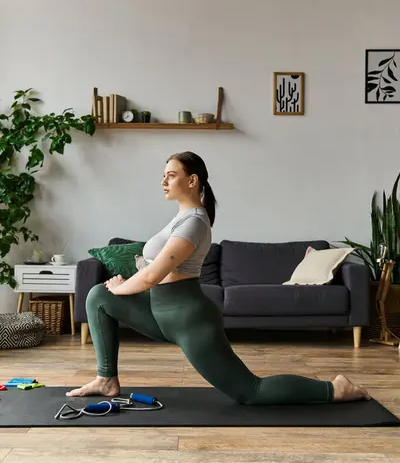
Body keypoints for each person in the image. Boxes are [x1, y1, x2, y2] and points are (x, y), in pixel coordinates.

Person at [67, 151, 370, 403]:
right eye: (164, 174)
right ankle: (106, 379)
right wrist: (116, 291)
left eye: (170, 174)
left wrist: (121, 288)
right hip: (159, 312)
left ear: (192, 179)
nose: (163, 180)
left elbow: (152, 276)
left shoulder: (195, 223)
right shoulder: (179, 217)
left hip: (188, 320)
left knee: (250, 392)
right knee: (98, 297)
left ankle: (334, 389)